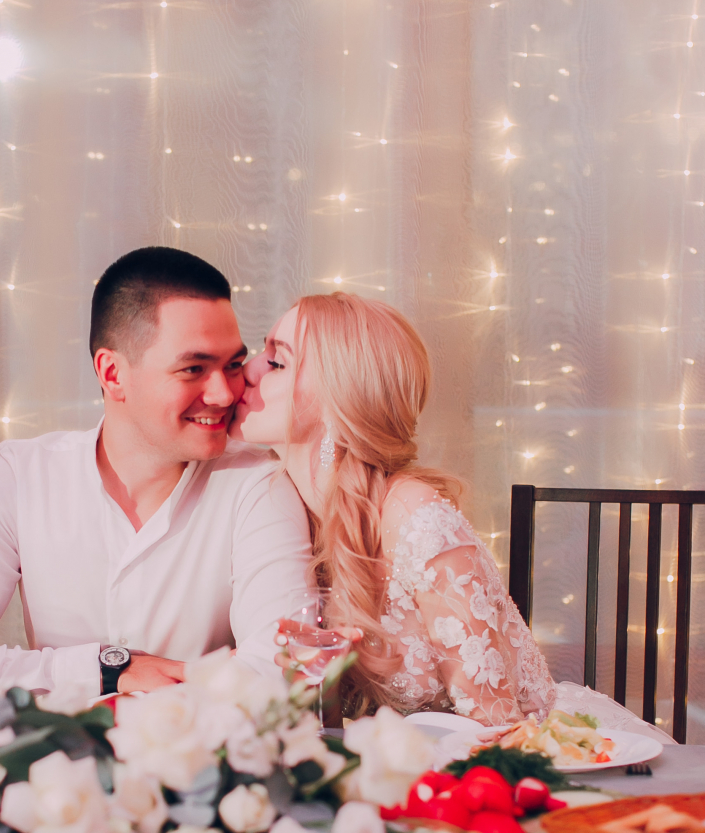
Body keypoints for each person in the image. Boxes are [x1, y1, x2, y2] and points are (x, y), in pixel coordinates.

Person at [231, 290, 668, 738]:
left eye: (277, 362)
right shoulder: (276, 510)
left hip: (536, 755)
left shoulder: (415, 519)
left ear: (339, 397)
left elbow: (498, 727)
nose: (246, 370)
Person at [0, 247, 312, 698]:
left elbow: (282, 673)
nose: (225, 394)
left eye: (232, 365)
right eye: (193, 369)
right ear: (112, 374)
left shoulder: (257, 484)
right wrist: (107, 668)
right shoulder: (21, 478)